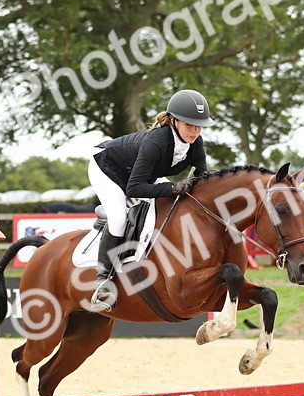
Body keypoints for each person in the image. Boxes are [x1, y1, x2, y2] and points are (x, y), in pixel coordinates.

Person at [87, 89, 212, 311]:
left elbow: (202, 179)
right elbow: (134, 187)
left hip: (142, 175)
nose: (195, 131)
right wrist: (173, 187)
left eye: (199, 125)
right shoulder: (155, 142)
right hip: (107, 169)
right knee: (118, 218)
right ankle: (102, 281)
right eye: (189, 125)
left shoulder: (196, 143)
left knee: (169, 205)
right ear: (173, 120)